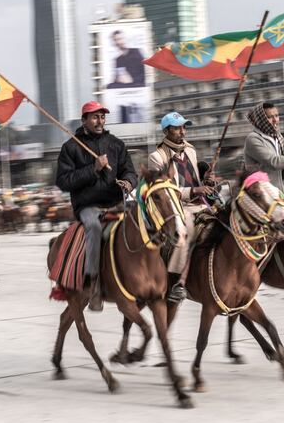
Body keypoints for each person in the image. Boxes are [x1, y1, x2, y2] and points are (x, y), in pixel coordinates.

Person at [56, 101, 137, 311]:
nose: (99, 121)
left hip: (116, 202)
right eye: (94, 117)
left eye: (102, 116)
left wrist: (128, 181)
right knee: (93, 227)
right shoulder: (71, 147)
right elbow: (63, 181)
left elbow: (130, 171)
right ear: (84, 120)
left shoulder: (116, 144)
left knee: (144, 223)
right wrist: (93, 168)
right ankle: (93, 281)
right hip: (88, 205)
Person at [148, 112, 213, 302]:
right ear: (167, 130)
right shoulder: (156, 157)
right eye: (177, 128)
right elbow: (166, 191)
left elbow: (196, 180)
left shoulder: (191, 150)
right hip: (177, 207)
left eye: (184, 127)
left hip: (201, 204)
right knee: (186, 231)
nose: (182, 131)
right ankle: (177, 282)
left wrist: (206, 181)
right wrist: (195, 190)